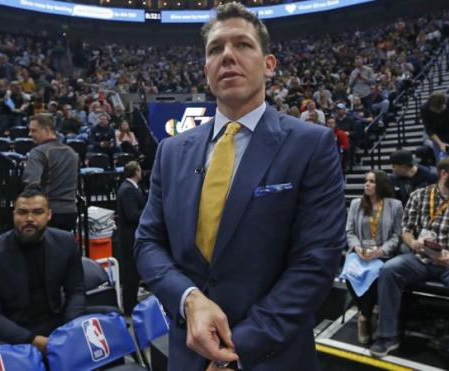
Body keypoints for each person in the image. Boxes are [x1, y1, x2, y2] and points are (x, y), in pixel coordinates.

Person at [134, 3, 345, 370]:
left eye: (243, 45)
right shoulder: (170, 152)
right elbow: (147, 243)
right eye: (216, 49)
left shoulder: (311, 145)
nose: (228, 55)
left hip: (270, 357)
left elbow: (316, 262)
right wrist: (189, 299)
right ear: (206, 71)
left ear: (269, 65)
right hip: (188, 355)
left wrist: (235, 352)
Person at [370, 156, 449, 371]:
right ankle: (387, 336)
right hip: (421, 259)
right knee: (389, 270)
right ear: (444, 174)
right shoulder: (419, 195)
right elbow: (406, 229)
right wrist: (413, 243)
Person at [0, 187, 85, 352]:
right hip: (5, 331)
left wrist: (71, 329)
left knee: (106, 319)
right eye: (22, 212)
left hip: (52, 322)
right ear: (14, 215)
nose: (29, 218)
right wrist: (33, 341)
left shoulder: (66, 242)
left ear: (49, 215)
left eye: (37, 212)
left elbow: (76, 292)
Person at [343, 170, 403, 344]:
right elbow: (350, 231)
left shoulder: (395, 205)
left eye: (372, 181)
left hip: (382, 254)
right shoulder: (356, 203)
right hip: (360, 251)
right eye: (366, 180)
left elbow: (396, 235)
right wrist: (357, 247)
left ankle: (365, 316)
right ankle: (367, 315)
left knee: (379, 272)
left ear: (382, 185)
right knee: (350, 272)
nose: (367, 184)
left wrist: (381, 251)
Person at [23, 113, 79, 231]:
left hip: (49, 214)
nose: (30, 134)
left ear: (47, 130)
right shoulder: (71, 152)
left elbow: (31, 185)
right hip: (71, 212)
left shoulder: (38, 152)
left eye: (34, 131)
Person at [115, 161, 145, 316]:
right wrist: (148, 212)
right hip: (129, 237)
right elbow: (132, 214)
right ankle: (129, 306)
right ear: (136, 171)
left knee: (133, 273)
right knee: (130, 274)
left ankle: (132, 302)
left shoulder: (131, 188)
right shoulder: (127, 190)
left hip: (131, 236)